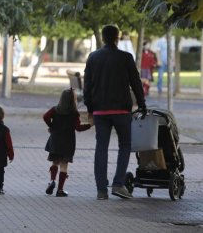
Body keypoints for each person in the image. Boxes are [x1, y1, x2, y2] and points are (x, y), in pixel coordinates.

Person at [83, 25, 146, 200]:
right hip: (121, 110)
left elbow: (87, 86)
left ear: (103, 38)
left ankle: (101, 190)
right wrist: (141, 104)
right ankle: (118, 184)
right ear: (117, 38)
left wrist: (90, 108)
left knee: (101, 148)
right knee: (125, 145)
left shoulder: (93, 57)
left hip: (100, 110)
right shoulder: (126, 57)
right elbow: (136, 83)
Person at [43, 89, 92, 197]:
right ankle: (60, 190)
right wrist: (89, 125)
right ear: (73, 100)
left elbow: (45, 117)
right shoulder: (74, 113)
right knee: (64, 165)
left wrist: (52, 126)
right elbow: (78, 128)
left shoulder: (55, 110)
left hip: (55, 141)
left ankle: (52, 181)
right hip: (68, 143)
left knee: (55, 162)